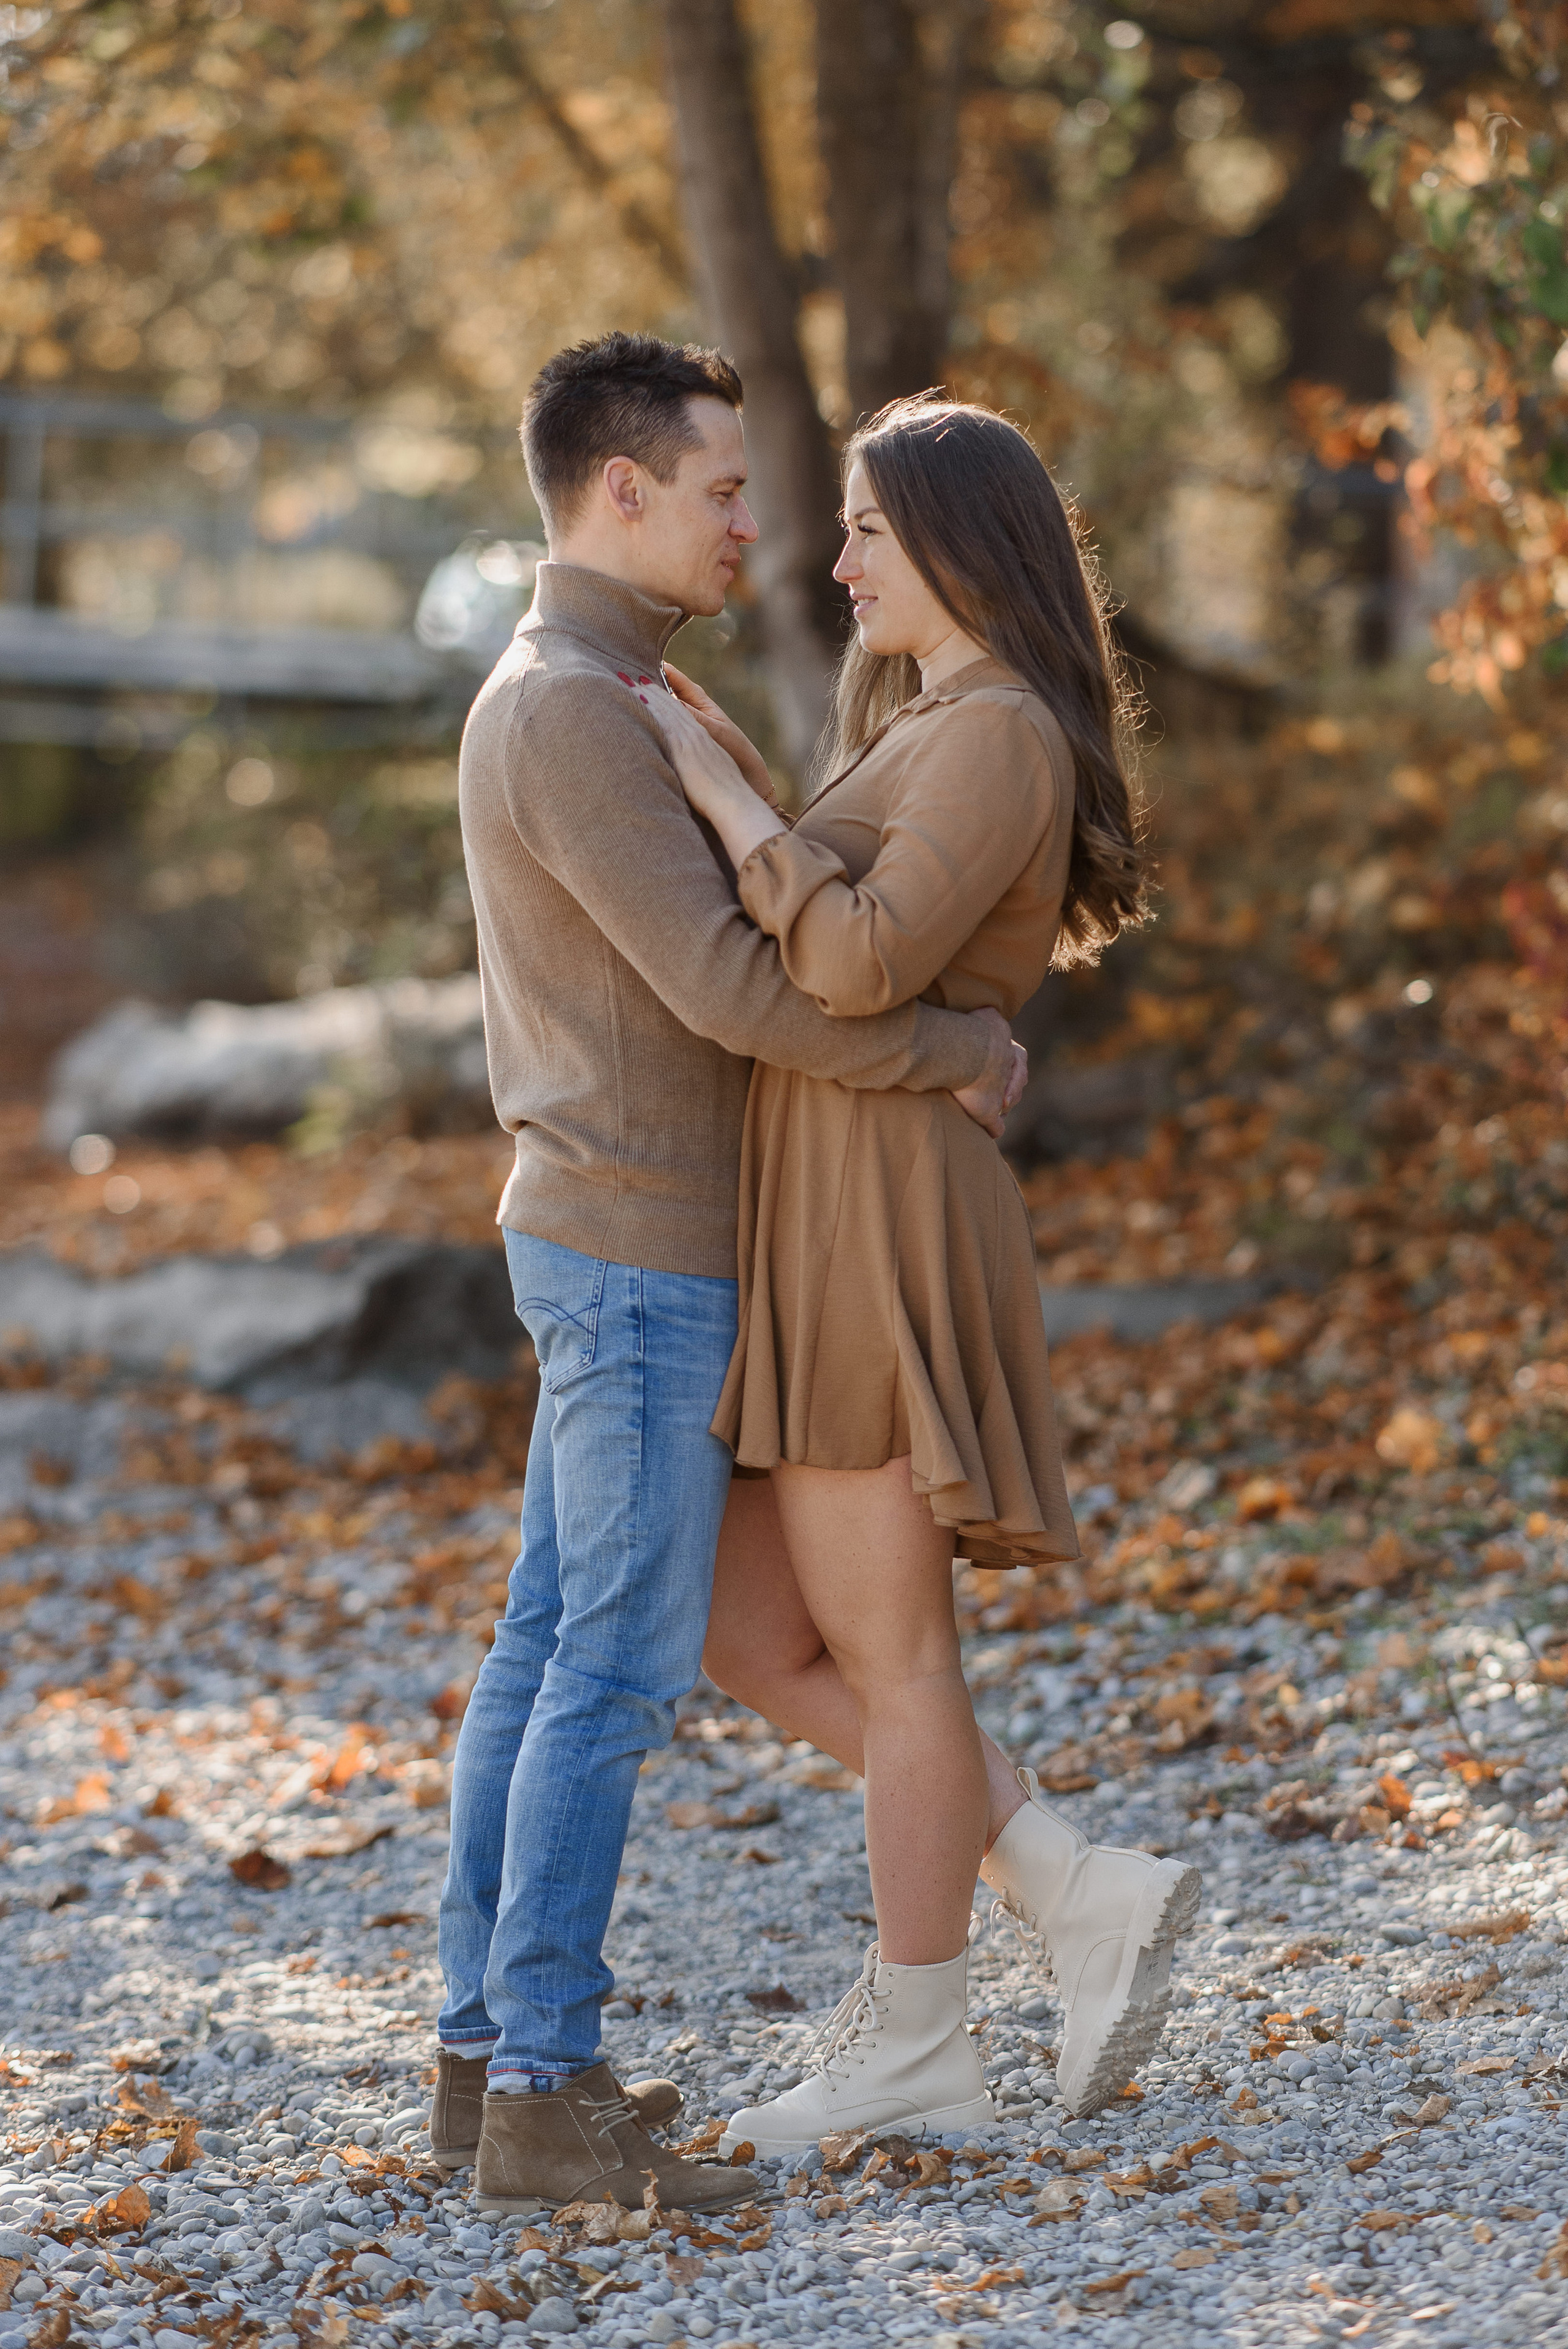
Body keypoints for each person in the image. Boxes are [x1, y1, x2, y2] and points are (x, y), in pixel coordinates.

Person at [436, 335, 1025, 2217]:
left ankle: (487, 2063)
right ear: (622, 488)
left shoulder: (618, 689)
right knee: (604, 1666)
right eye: (717, 489)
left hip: (636, 1236)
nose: (746, 525)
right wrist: (955, 1054)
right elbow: (735, 988)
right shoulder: (574, 711)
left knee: (547, 1650)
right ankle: (540, 2086)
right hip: (637, 1245)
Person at [645, 394, 1202, 2152]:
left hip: (880, 1202)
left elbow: (864, 957)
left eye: (869, 528)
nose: (835, 558)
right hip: (824, 1184)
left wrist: (728, 791)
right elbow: (842, 952)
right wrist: (743, 768)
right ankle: (1065, 1874)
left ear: (960, 538)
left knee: (893, 1654)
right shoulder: (934, 720)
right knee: (745, 1627)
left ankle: (916, 2041)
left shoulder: (1002, 732)